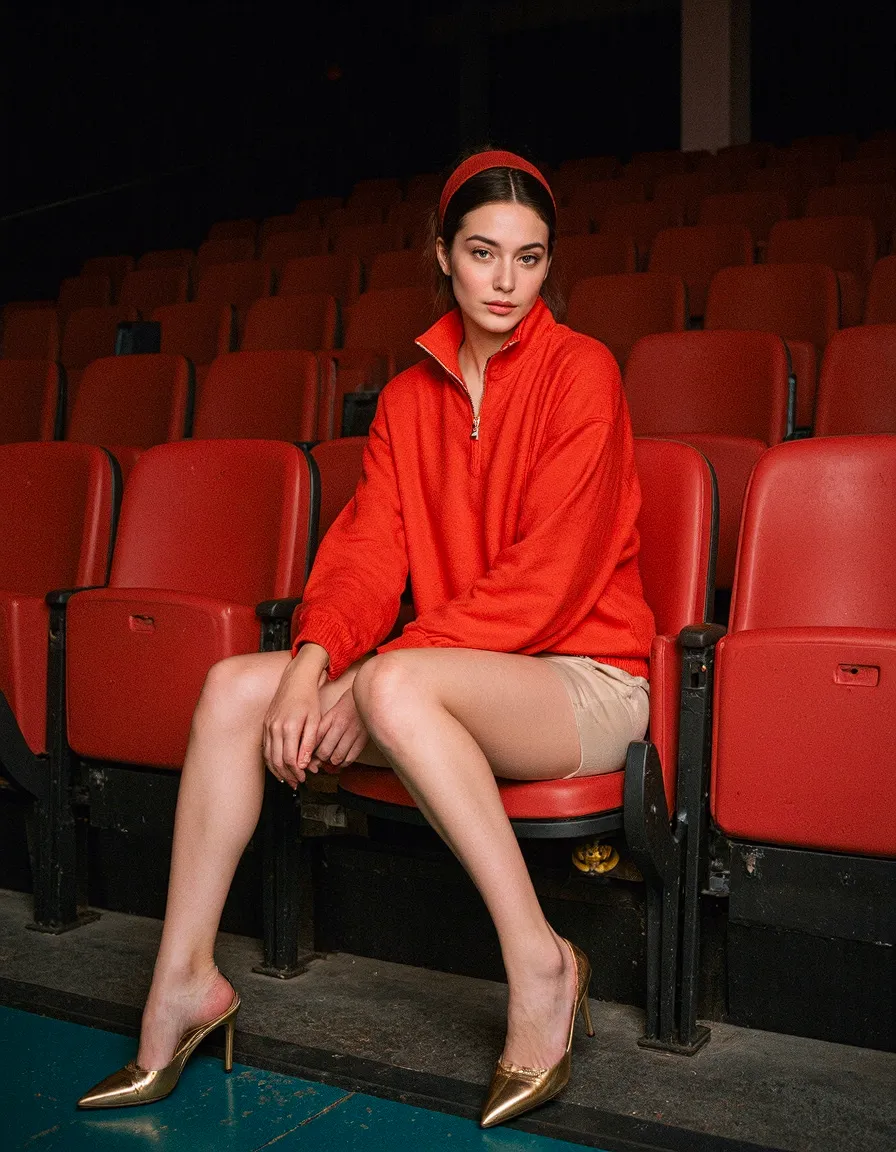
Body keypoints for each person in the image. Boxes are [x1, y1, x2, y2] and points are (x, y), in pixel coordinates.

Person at [77, 149, 655, 1127]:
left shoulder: (582, 374)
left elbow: (546, 585)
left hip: (583, 678)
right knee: (231, 689)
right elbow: (362, 557)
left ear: (548, 264)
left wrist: (377, 674)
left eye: (528, 257)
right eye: (482, 253)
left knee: (390, 691)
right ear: (442, 254)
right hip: (447, 670)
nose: (506, 281)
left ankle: (541, 962)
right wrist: (311, 667)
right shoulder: (405, 399)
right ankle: (182, 983)